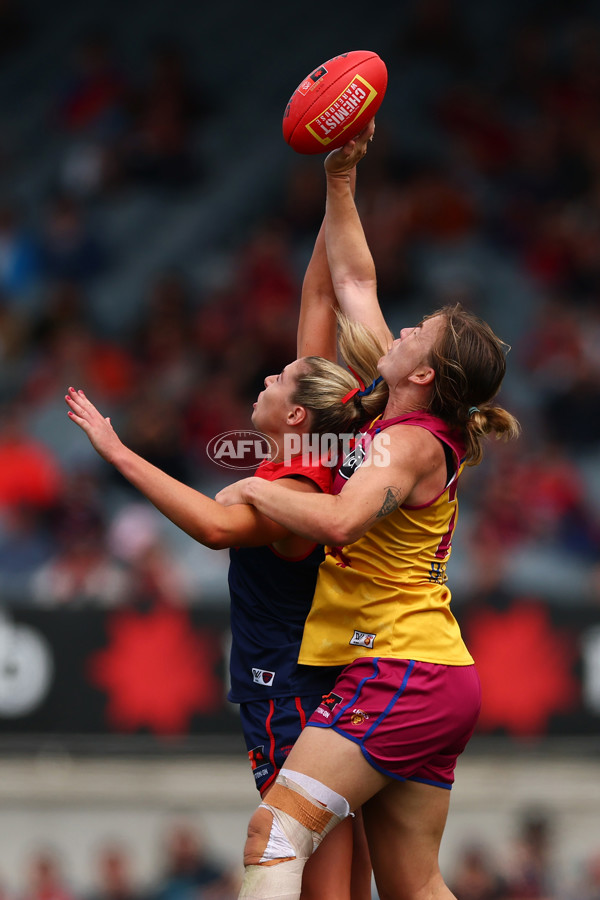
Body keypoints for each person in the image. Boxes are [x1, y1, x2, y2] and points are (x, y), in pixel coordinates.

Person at [65, 126, 385, 900]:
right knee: (340, 871)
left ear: (296, 415)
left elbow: (213, 528)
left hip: (286, 692)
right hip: (328, 683)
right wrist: (337, 179)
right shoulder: (315, 456)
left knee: (307, 872)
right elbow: (319, 294)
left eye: (279, 380)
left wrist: (118, 453)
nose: (269, 377)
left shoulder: (293, 494)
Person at [214, 126, 521, 900]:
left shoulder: (408, 443)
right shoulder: (402, 410)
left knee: (275, 832)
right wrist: (342, 178)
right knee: (413, 887)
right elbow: (352, 280)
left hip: (401, 669)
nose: (404, 327)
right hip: (429, 671)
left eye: (420, 333)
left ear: (424, 372)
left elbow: (341, 522)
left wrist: (253, 490)